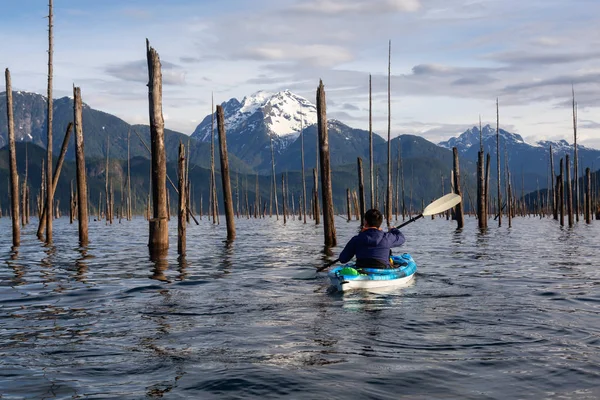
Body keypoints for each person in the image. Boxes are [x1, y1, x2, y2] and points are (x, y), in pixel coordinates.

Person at [338, 209, 405, 269]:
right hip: (383, 269)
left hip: (362, 269)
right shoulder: (387, 237)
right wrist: (394, 230)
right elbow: (402, 238)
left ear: (365, 222)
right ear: (380, 222)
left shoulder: (356, 239)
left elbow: (343, 259)